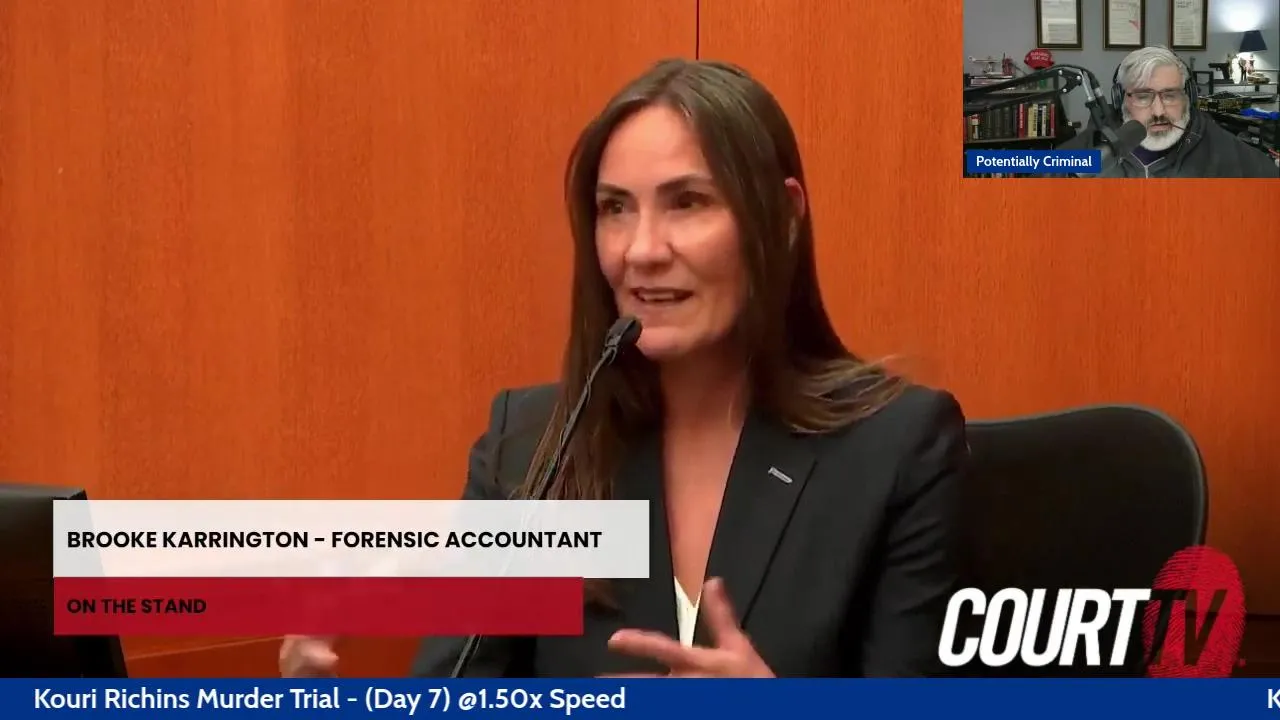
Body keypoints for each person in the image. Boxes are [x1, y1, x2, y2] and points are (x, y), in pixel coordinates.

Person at [280, 58, 970, 678]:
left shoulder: (896, 449)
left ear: (785, 216)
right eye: (615, 209)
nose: (641, 250)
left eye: (687, 202)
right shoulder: (526, 452)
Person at [1057, 46, 1278, 178]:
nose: (1158, 111)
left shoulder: (1228, 153)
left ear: (1188, 97)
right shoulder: (1092, 148)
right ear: (1120, 100)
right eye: (1143, 96)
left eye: (1170, 95)